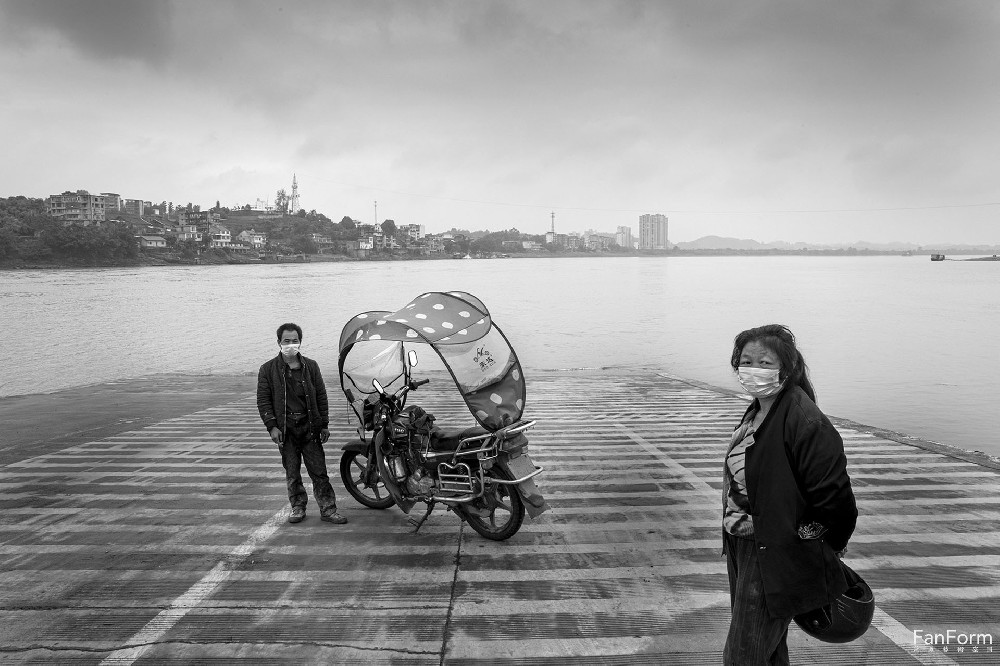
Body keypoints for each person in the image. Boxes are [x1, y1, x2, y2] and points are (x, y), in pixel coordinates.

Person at [722, 325, 857, 665]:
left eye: (764, 362)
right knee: (767, 650)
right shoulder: (760, 409)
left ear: (786, 368)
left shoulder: (804, 420)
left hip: (772, 550)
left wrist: (813, 542)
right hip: (742, 541)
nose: (752, 369)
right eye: (745, 360)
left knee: (743, 656)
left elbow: (837, 501)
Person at [257, 323, 347, 525]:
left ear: (300, 342)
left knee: (319, 472)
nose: (291, 345)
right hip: (286, 429)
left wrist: (324, 423)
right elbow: (263, 400)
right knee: (292, 472)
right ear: (278, 342)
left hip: (310, 428)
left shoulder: (311, 366)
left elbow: (321, 396)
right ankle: (298, 507)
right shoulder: (267, 370)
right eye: (286, 341)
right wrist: (272, 426)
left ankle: (328, 509)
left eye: (294, 341)